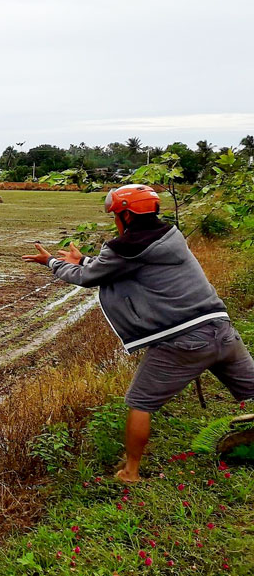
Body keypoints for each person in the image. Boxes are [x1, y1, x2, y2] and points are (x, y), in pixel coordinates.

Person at [22, 183, 254, 483]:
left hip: (183, 340)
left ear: (126, 215)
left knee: (140, 402)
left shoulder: (125, 247)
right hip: (222, 330)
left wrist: (53, 263)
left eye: (116, 214)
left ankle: (130, 472)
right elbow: (117, 267)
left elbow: (89, 278)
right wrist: (82, 260)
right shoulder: (171, 236)